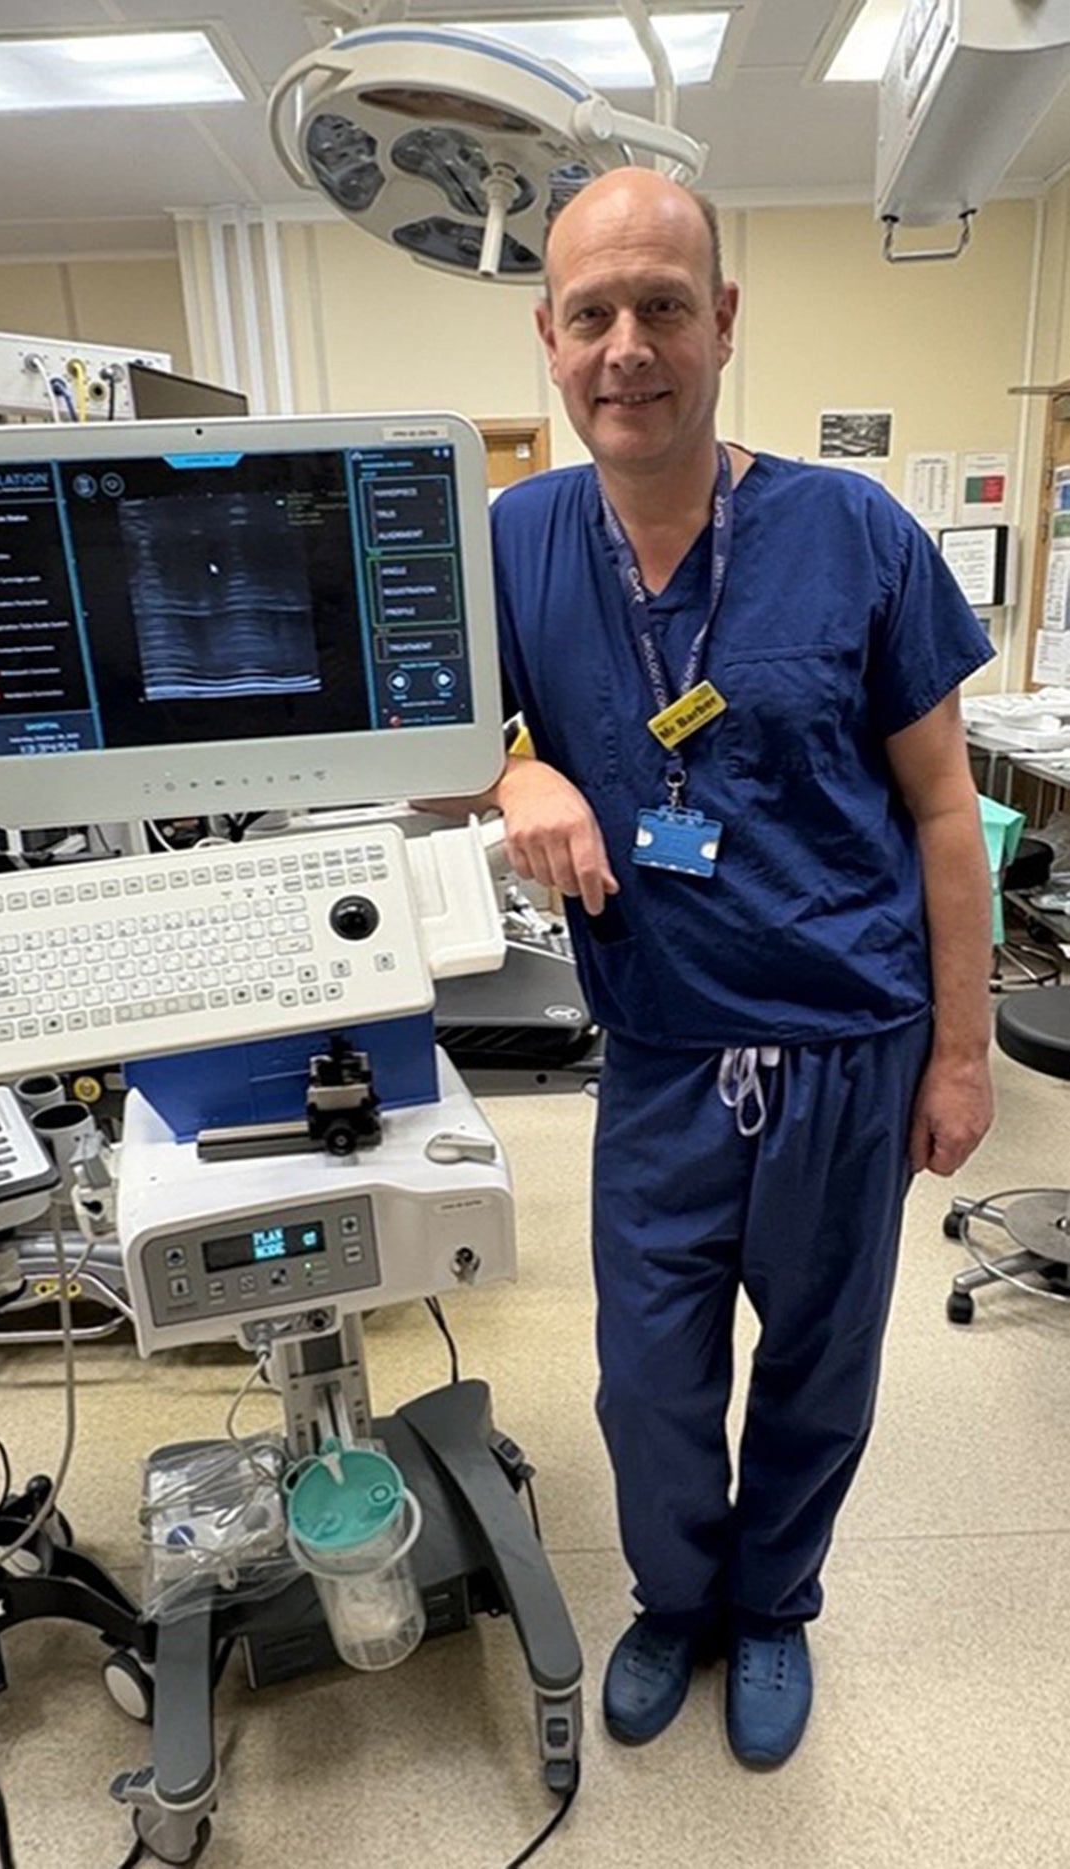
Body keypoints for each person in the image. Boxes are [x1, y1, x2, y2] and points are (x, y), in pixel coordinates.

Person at [465, 169, 995, 1767]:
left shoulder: (852, 533)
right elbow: (428, 748)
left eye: (663, 307)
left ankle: (772, 1605)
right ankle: (675, 1596)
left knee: (820, 1364)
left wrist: (960, 1055)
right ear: (547, 342)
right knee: (646, 1377)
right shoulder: (511, 537)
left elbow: (942, 808)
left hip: (849, 1040)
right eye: (592, 315)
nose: (628, 346)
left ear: (723, 324)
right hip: (659, 1049)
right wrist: (515, 773)